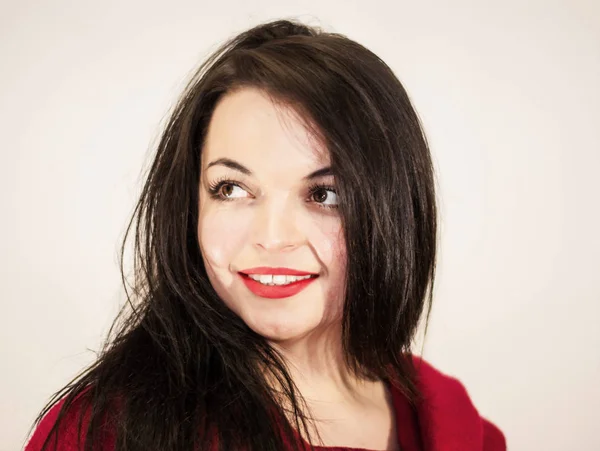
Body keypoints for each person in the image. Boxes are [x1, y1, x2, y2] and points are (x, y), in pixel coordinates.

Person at [25, 18, 506, 451]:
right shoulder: (106, 432)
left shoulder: (459, 428)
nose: (272, 238)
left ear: (393, 209)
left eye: (325, 195)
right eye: (231, 188)